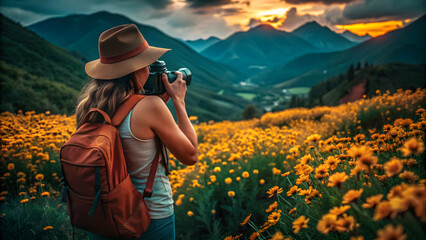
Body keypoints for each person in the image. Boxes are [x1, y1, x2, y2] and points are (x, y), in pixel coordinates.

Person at [75, 24, 198, 240]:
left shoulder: (87, 107)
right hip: (149, 217)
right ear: (135, 69)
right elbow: (190, 155)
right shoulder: (150, 107)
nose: (150, 70)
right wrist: (178, 101)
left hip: (101, 215)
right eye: (147, 64)